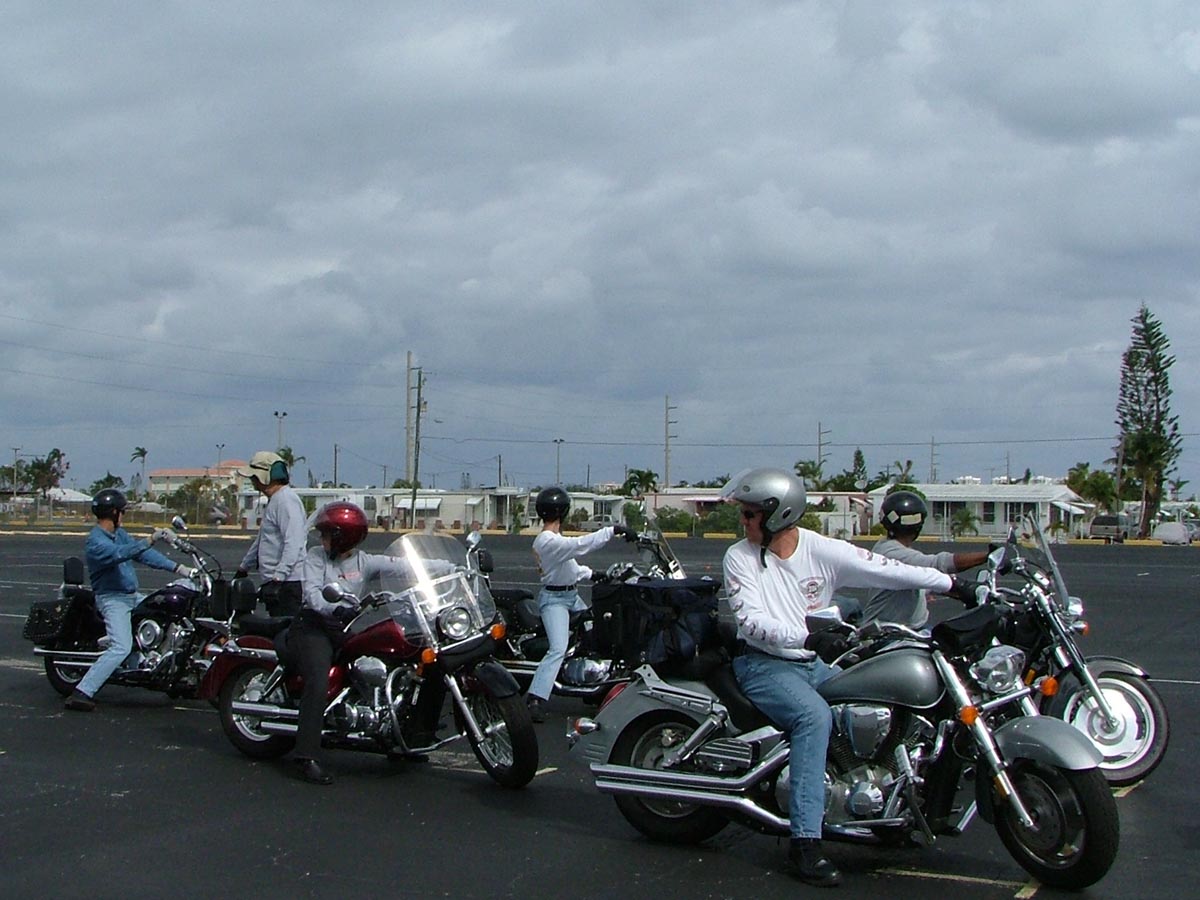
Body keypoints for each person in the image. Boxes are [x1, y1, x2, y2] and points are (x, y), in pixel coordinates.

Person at [720, 468, 972, 887]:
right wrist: (809, 637)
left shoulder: (819, 549)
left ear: (778, 515)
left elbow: (889, 569)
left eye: (749, 514)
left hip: (810, 662)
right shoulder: (739, 557)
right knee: (814, 718)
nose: (743, 521)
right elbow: (752, 623)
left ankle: (880, 813)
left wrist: (953, 585)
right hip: (764, 665)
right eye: (743, 514)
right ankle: (805, 842)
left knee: (868, 705)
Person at [287, 502, 452, 785]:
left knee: (401, 662)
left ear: (342, 537)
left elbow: (407, 565)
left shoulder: (365, 562)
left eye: (326, 534)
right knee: (318, 679)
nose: (322, 539)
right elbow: (312, 594)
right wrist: (334, 608)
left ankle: (406, 738)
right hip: (313, 627)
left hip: (344, 629)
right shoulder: (315, 557)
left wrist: (454, 566)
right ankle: (307, 755)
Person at [64, 489, 196, 712]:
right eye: (122, 511)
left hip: (131, 596)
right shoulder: (96, 541)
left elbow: (142, 555)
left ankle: (162, 670)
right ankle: (82, 692)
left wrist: (179, 568)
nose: (123, 515)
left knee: (163, 614)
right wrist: (150, 539)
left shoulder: (119, 534)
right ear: (113, 512)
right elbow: (121, 554)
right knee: (121, 646)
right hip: (112, 599)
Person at [525, 487, 636, 723]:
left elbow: (569, 566)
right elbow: (579, 545)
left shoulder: (553, 540)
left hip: (570, 595)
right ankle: (536, 697)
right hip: (554, 600)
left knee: (594, 630)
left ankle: (592, 682)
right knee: (558, 647)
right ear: (563, 512)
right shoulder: (547, 541)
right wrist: (613, 530)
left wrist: (593, 574)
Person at [862, 490, 990, 629]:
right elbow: (937, 564)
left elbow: (923, 579)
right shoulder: (892, 553)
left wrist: (961, 591)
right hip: (890, 632)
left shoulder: (886, 547)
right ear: (919, 525)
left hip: (905, 629)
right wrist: (988, 556)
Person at [234, 451, 307, 616]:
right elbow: (262, 539)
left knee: (285, 629)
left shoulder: (286, 501)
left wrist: (279, 577)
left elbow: (294, 542)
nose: (252, 480)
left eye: (254, 476)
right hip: (275, 581)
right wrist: (244, 566)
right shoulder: (275, 500)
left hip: (288, 583)